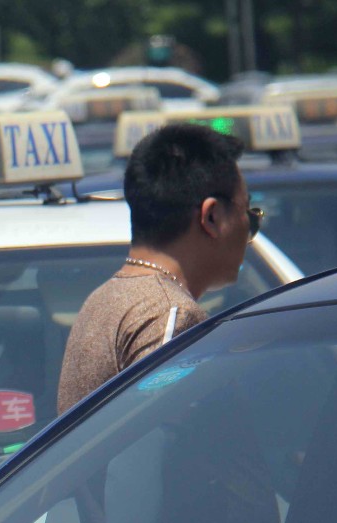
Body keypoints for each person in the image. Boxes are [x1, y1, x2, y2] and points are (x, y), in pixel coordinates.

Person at [55, 124, 255, 413]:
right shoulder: (170, 315)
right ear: (211, 217)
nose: (250, 225)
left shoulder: (104, 297)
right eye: (247, 210)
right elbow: (158, 439)